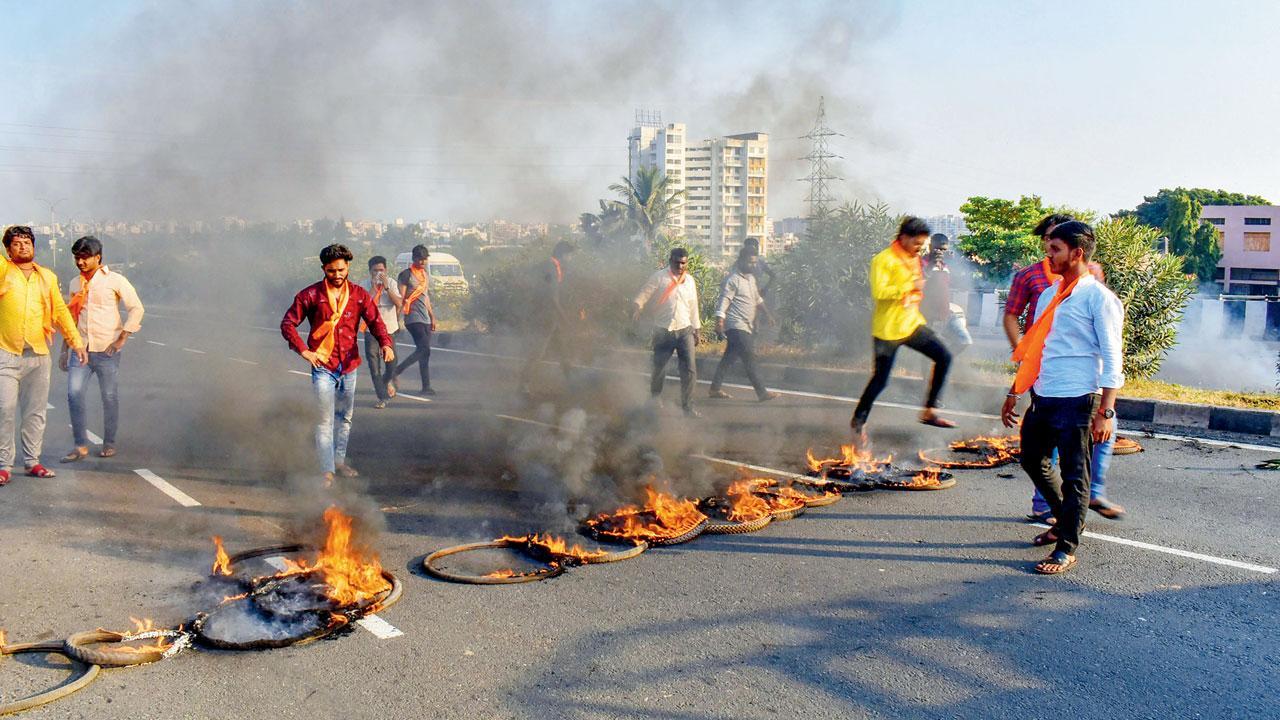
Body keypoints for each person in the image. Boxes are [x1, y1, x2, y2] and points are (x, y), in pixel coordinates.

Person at [1001, 220, 1124, 575]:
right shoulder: (1048, 295)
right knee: (1032, 460)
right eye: (1047, 248)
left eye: (1055, 249)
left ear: (1077, 252)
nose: (1048, 255)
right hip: (1045, 394)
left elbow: (1112, 355)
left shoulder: (1098, 298)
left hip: (1079, 398)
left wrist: (1107, 410)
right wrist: (1016, 391)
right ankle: (1063, 518)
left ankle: (1066, 546)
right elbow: (1036, 349)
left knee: (1076, 475)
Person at [281, 244, 395, 485]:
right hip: (323, 366)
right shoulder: (310, 295)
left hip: (349, 365)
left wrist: (386, 344)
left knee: (345, 417)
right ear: (324, 268)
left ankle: (339, 461)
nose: (337, 275)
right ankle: (327, 470)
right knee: (324, 419)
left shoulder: (358, 295)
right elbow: (288, 324)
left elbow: (375, 321)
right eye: (331, 270)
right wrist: (304, 350)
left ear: (348, 267)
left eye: (341, 270)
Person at [851, 217, 954, 445]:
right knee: (880, 379)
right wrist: (910, 287)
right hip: (887, 329)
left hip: (911, 324)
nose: (920, 248)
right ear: (904, 238)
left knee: (944, 357)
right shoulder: (883, 260)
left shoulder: (913, 258)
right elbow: (880, 292)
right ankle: (858, 420)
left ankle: (929, 411)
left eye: (922, 245)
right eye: (917, 244)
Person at [0, 225, 86, 485]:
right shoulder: (3, 271)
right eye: (16, 243)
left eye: (27, 242)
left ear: (34, 246)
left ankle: (31, 462)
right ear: (8, 249)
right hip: (6, 352)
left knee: (35, 411)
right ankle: (4, 465)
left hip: (38, 353)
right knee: (5, 408)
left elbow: (60, 311)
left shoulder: (46, 277)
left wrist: (76, 342)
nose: (23, 246)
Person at [59, 236, 145, 462]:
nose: (80, 262)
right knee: (73, 394)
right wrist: (64, 349)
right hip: (81, 350)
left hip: (107, 350)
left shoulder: (115, 280)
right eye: (77, 258)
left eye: (85, 257)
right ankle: (80, 444)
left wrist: (122, 338)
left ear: (98, 257)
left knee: (109, 396)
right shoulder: (74, 283)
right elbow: (71, 318)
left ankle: (109, 442)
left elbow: (136, 308)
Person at [632, 247, 701, 417]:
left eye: (683, 263)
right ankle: (655, 399)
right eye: (677, 262)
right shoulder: (659, 277)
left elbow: (693, 307)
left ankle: (688, 407)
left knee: (690, 369)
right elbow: (643, 294)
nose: (680, 266)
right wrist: (637, 307)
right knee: (659, 367)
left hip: (685, 330)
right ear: (670, 260)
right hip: (663, 330)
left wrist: (697, 329)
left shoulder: (690, 281)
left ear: (687, 263)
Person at [709, 246, 779, 402]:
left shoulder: (751, 279)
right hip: (736, 325)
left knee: (728, 358)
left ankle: (714, 388)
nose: (753, 266)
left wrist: (767, 315)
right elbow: (724, 301)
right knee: (749, 358)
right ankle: (762, 392)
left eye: (755, 263)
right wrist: (719, 321)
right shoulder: (732, 280)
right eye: (750, 262)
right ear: (741, 261)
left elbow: (757, 300)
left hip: (746, 326)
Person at [520, 240, 577, 396]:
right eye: (570, 256)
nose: (571, 259)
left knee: (562, 349)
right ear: (563, 254)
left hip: (548, 315)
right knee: (538, 351)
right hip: (545, 316)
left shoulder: (549, 265)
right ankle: (523, 385)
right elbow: (552, 297)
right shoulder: (550, 268)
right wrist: (564, 317)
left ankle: (572, 382)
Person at [387, 244, 436, 396]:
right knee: (424, 348)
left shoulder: (425, 275)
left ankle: (426, 387)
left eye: (424, 259)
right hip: (412, 317)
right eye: (420, 259)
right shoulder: (406, 275)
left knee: (424, 352)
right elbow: (401, 299)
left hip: (425, 317)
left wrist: (432, 316)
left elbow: (425, 297)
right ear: (414, 259)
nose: (422, 262)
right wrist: (396, 319)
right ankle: (396, 371)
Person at [362, 255, 402, 409]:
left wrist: (386, 288)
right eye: (375, 271)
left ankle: (385, 382)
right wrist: (373, 287)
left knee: (392, 363)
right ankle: (382, 397)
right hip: (371, 330)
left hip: (388, 329)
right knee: (374, 365)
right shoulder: (364, 285)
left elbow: (399, 303)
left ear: (386, 270)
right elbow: (364, 306)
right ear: (370, 271)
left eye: (381, 270)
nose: (378, 273)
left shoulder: (391, 283)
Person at [922, 234, 972, 352]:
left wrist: (956, 265)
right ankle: (930, 368)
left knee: (964, 340)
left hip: (946, 313)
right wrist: (931, 265)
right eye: (937, 249)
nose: (940, 252)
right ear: (930, 247)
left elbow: (954, 284)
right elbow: (920, 280)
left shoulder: (945, 265)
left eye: (944, 250)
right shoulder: (923, 262)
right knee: (929, 350)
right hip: (928, 314)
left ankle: (942, 362)